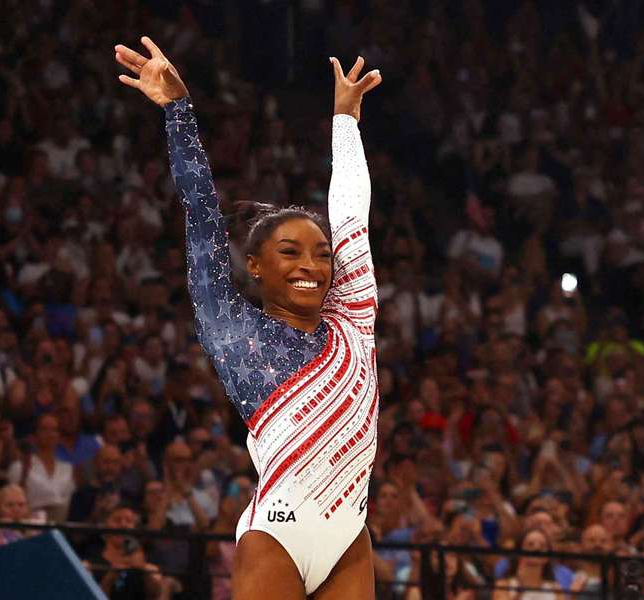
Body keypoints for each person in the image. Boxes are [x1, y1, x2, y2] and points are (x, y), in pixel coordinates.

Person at [114, 36, 382, 599]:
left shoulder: (354, 316)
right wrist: (177, 113)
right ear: (254, 266)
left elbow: (352, 210)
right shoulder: (236, 331)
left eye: (321, 253)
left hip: (348, 535)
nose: (312, 265)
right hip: (278, 534)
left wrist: (345, 121)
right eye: (290, 253)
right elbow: (201, 218)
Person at [7, 412, 75, 521]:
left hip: (61, 524)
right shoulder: (19, 467)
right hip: (30, 523)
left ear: (59, 436)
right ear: (34, 436)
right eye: (44, 429)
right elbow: (13, 501)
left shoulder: (68, 469)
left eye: (54, 430)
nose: (50, 434)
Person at [492, 528, 563, 600]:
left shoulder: (555, 588)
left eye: (542, 545)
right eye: (530, 544)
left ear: (547, 557)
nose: (537, 548)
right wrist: (520, 591)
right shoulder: (504, 585)